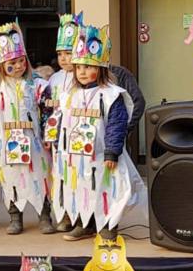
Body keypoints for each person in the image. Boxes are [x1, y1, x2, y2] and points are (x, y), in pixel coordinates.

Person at [52, 25, 144, 242]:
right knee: (81, 190)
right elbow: (61, 122)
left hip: (103, 156)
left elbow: (116, 123)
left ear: (101, 69)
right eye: (79, 67)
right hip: (76, 156)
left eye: (88, 66)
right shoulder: (69, 95)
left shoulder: (111, 95)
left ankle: (108, 226)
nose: (82, 72)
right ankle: (85, 224)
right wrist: (59, 146)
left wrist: (113, 151)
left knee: (107, 190)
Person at [0, 23, 50, 235]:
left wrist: (48, 134)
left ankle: (44, 215)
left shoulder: (37, 85)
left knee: (40, 177)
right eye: (12, 62)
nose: (18, 66)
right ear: (1, 64)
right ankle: (15, 217)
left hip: (33, 139)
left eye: (21, 61)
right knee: (10, 180)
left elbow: (46, 112)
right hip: (5, 140)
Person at [41, 12, 85, 234]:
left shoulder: (84, 78)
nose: (64, 59)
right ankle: (66, 215)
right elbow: (47, 109)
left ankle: (81, 217)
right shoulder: (54, 79)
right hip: (59, 140)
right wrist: (48, 135)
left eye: (68, 53)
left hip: (77, 138)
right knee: (61, 178)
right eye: (60, 54)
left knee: (78, 178)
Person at [110, 64, 146, 133]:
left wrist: (124, 129)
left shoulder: (120, 73)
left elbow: (138, 102)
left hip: (114, 136)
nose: (82, 72)